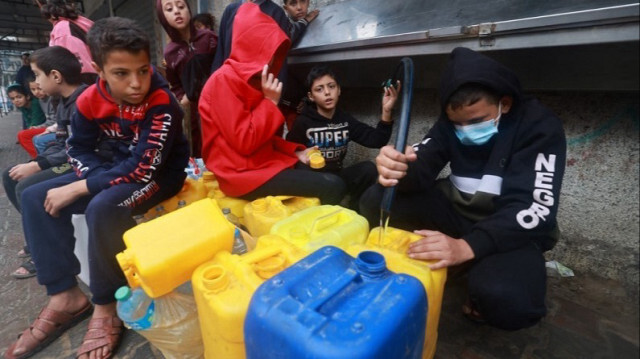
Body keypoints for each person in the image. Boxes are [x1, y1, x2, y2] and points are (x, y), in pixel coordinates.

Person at [4, 17, 189, 359]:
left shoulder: (161, 103)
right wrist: (90, 177)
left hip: (157, 177)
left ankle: (106, 304)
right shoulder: (89, 100)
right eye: (121, 73)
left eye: (144, 70)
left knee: (102, 205)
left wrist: (82, 187)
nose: (136, 84)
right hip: (111, 167)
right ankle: (65, 297)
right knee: (32, 194)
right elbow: (79, 149)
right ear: (98, 68)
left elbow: (142, 168)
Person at [360, 47, 566, 330]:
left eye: (477, 121)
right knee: (378, 196)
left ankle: (470, 270)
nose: (466, 130)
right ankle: (454, 265)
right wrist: (398, 167)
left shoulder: (539, 126)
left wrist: (467, 246)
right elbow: (423, 163)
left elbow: (535, 207)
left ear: (504, 104)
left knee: (509, 300)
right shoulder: (450, 124)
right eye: (458, 123)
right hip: (456, 216)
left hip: (509, 230)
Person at [199, 2, 345, 204]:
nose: (273, 59)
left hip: (258, 164)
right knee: (331, 186)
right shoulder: (223, 82)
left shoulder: (252, 78)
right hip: (240, 175)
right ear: (250, 46)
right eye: (267, 50)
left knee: (320, 171)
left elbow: (264, 139)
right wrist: (269, 102)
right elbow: (246, 141)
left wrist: (295, 151)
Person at [2, 46, 89, 280]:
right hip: (67, 159)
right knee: (9, 174)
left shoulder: (84, 101)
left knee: (27, 188)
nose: (36, 82)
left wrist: (39, 166)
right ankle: (35, 240)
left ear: (56, 76)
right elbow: (61, 141)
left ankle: (42, 254)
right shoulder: (61, 102)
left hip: (78, 165)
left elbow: (77, 150)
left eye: (37, 75)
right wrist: (39, 161)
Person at [286, 65, 399, 209]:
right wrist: (301, 155)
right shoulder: (303, 122)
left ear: (338, 90)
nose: (327, 92)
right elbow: (288, 152)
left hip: (337, 177)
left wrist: (386, 111)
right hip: (313, 181)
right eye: (319, 89)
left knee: (369, 169)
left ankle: (355, 210)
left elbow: (377, 139)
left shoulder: (344, 120)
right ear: (311, 96)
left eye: (331, 86)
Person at [156, 0, 218, 157]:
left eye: (181, 6)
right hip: (196, 110)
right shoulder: (170, 53)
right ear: (163, 18)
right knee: (203, 149)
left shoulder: (209, 38)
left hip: (220, 102)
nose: (177, 11)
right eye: (169, 9)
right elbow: (174, 82)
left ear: (189, 10)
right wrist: (182, 97)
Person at [279, 0, 319, 131]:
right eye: (293, 3)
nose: (299, 8)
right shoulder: (283, 26)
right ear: (286, 8)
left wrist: (307, 98)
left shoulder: (317, 23)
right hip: (282, 98)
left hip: (305, 99)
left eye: (302, 1)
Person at [40, 0, 97, 84]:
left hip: (86, 78)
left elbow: (78, 58)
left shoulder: (62, 29)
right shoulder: (82, 21)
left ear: (51, 15)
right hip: (100, 69)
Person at [14, 76, 57, 158]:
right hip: (50, 126)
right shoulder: (41, 100)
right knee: (23, 135)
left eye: (39, 88)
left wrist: (37, 127)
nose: (36, 92)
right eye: (33, 90)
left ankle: (38, 159)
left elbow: (54, 120)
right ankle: (38, 158)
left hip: (54, 127)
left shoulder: (51, 99)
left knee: (23, 135)